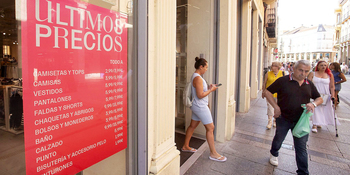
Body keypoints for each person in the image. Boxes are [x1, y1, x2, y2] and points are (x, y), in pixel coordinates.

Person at [264, 60, 322, 175]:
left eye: (306, 71)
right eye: (301, 70)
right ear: (293, 69)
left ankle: (303, 172)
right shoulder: (283, 80)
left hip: (301, 121)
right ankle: (274, 153)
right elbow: (267, 92)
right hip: (284, 118)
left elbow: (319, 98)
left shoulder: (309, 84)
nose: (303, 73)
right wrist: (276, 107)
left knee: (301, 148)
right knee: (279, 139)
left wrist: (313, 104)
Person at [181, 57, 227, 162]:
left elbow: (201, 90)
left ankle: (185, 146)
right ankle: (213, 153)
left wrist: (209, 87)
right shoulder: (197, 78)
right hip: (200, 106)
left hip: (197, 105)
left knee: (192, 126)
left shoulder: (197, 77)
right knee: (210, 128)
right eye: (205, 67)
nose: (206, 69)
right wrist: (211, 90)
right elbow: (200, 95)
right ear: (201, 67)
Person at [307, 61, 336, 133]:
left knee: (322, 109)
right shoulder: (312, 73)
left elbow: (332, 86)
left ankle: (319, 122)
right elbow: (307, 83)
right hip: (315, 94)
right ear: (318, 66)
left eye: (325, 65)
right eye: (321, 65)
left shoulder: (329, 75)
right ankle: (314, 124)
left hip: (325, 94)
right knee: (315, 108)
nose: (323, 67)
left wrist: (333, 95)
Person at [262, 62, 284, 129]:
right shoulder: (268, 73)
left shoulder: (282, 73)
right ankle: (269, 122)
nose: (272, 67)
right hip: (269, 94)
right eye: (272, 66)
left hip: (279, 94)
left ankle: (275, 121)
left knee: (277, 108)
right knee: (270, 107)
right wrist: (263, 92)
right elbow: (264, 83)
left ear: (278, 67)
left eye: (274, 66)